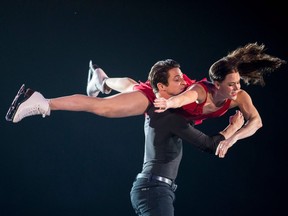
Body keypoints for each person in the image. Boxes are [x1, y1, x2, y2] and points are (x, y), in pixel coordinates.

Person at [6, 43, 285, 155]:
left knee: (130, 85)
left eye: (239, 85)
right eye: (232, 85)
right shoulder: (200, 92)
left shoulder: (238, 97)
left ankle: (101, 80)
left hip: (162, 93)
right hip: (157, 97)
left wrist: (233, 137)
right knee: (104, 108)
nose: (237, 89)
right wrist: (167, 103)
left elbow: (256, 122)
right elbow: (182, 99)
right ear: (216, 83)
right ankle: (41, 100)